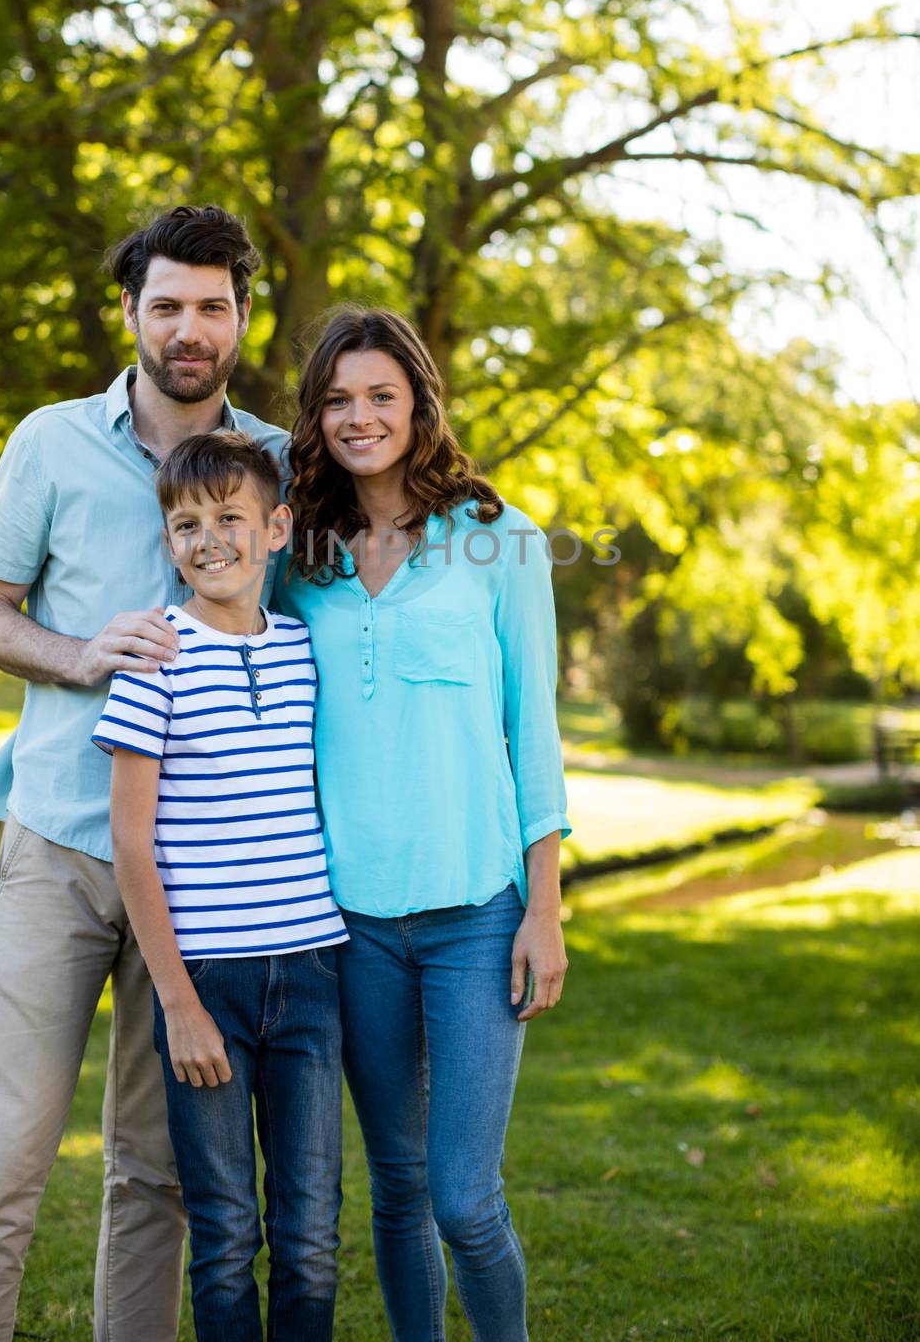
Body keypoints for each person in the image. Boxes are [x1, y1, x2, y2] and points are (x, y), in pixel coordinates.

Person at [0, 205, 289, 1342]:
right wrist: (77, 656)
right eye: (167, 303)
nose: (190, 327)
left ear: (239, 317)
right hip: (60, 847)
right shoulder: (47, 441)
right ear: (128, 309)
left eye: (212, 306)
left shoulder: (277, 463)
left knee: (155, 1176)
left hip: (201, 882)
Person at [275, 306, 571, 1342]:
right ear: (313, 417)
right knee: (394, 1190)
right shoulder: (296, 556)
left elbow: (531, 733)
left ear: (418, 404)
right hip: (346, 924)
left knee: (462, 1198)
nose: (358, 416)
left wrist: (545, 908)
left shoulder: (500, 539)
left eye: (379, 395)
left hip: (477, 917)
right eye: (336, 399)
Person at [93, 430, 347, 1342]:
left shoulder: (304, 650)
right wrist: (179, 1003)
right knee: (228, 1230)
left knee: (311, 1233)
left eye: (230, 518)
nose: (210, 540)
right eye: (187, 524)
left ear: (276, 529)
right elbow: (130, 843)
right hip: (206, 983)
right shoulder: (156, 661)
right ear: (168, 542)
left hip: (314, 976)